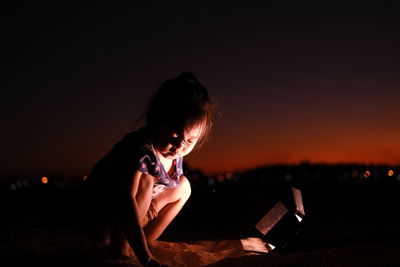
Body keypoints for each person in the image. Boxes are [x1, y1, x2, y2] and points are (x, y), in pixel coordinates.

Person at [82, 72, 215, 266]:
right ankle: (121, 250)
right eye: (174, 137)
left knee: (184, 186)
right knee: (145, 179)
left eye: (190, 141)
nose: (179, 147)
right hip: (105, 216)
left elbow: (164, 190)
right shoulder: (140, 149)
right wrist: (143, 256)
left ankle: (145, 240)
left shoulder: (176, 152)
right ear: (157, 121)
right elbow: (123, 198)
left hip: (137, 218)